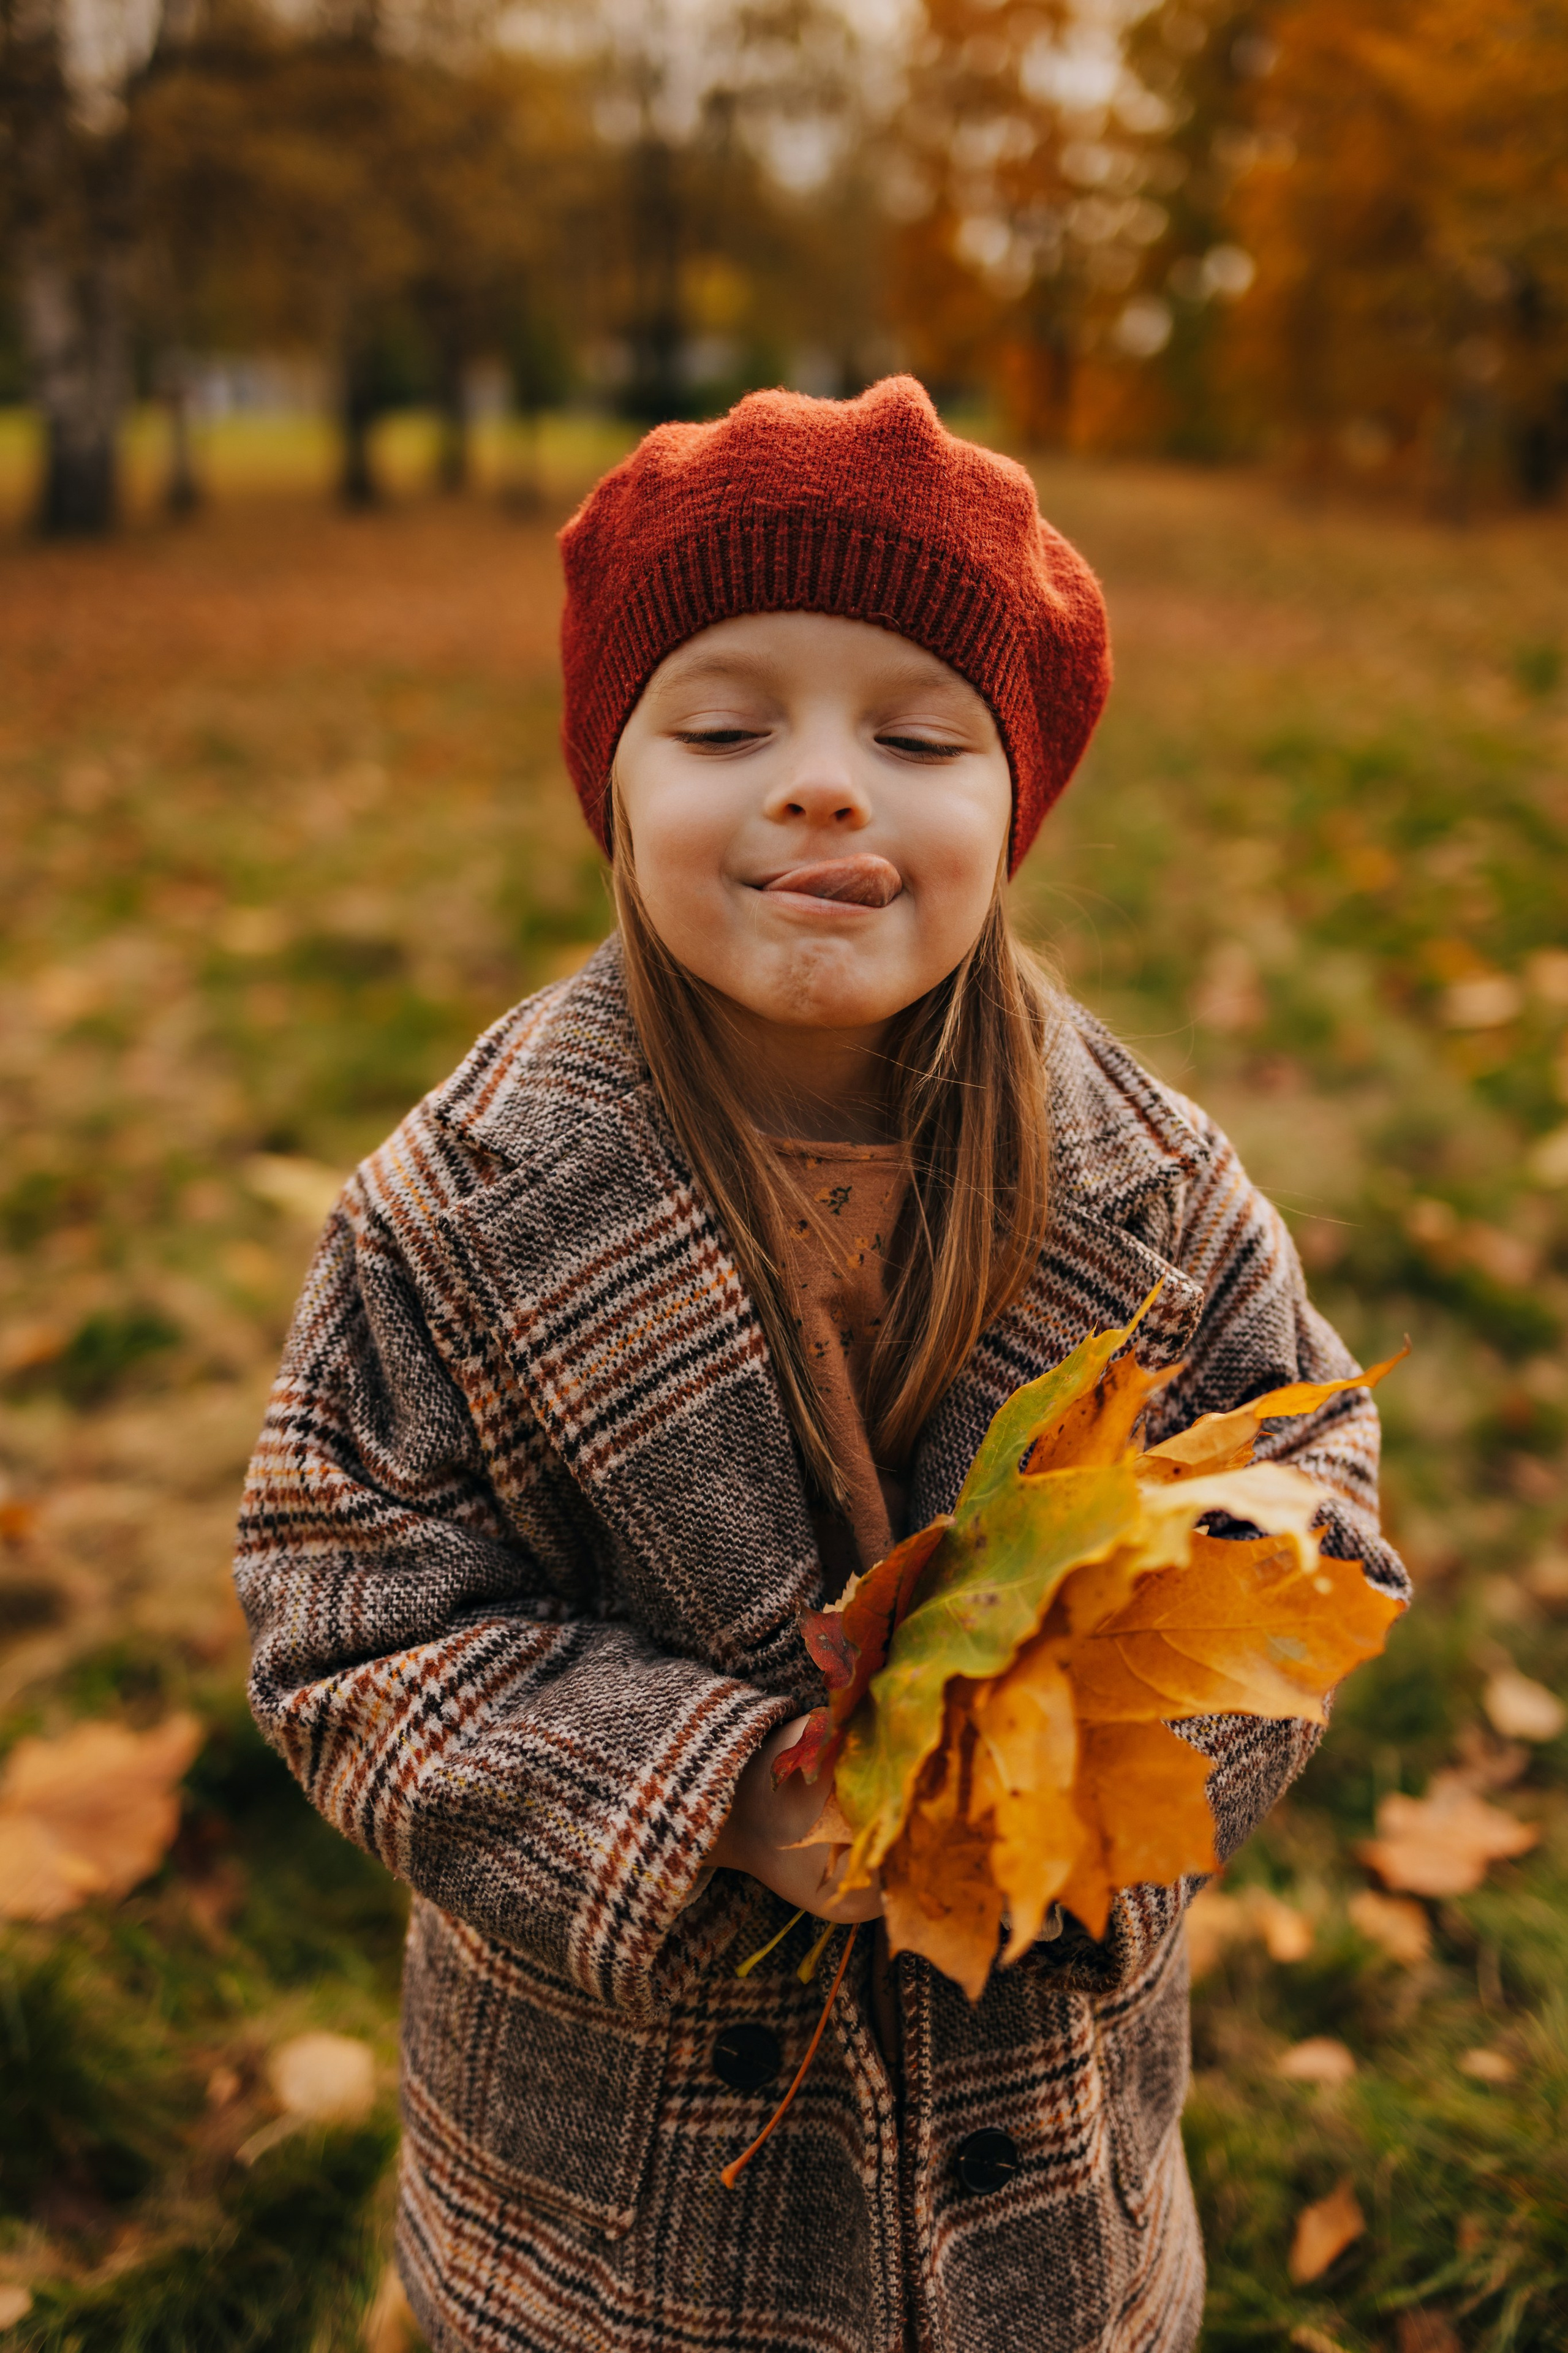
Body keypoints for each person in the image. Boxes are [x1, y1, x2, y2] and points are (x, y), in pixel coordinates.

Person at [234, 377, 1407, 2353]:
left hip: (1039, 2187)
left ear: (1012, 803)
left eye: (917, 737)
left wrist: (1056, 1792)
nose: (823, 786)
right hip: (616, 2224)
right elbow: (348, 1615)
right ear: (616, 780)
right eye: (725, 729)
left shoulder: (1158, 1197)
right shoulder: (460, 1212)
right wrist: (712, 1790)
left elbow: (1315, 1537)